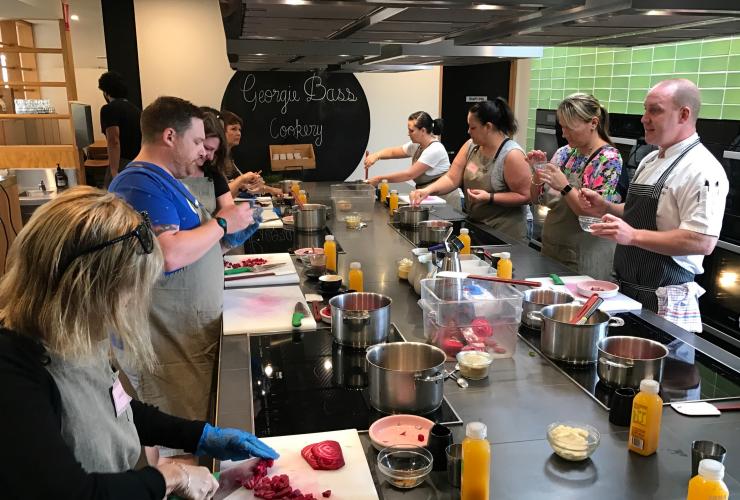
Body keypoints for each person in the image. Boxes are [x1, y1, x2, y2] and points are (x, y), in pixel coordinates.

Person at [0, 187, 277, 500]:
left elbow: (118, 407)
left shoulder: (75, 333)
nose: (137, 301)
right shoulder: (13, 376)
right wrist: (169, 477)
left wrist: (200, 435)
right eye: (132, 287)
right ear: (87, 288)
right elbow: (70, 492)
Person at [109, 97, 255, 427]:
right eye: (196, 141)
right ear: (170, 137)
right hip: (163, 343)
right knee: (175, 435)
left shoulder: (167, 182)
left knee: (193, 426)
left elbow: (192, 248)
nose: (201, 151)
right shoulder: (137, 183)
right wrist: (221, 225)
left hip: (184, 336)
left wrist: (226, 239)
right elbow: (168, 254)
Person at [581, 79, 729, 331]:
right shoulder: (650, 159)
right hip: (626, 292)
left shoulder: (702, 169)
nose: (643, 118)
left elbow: (702, 241)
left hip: (665, 303)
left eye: (655, 110)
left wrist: (634, 236)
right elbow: (638, 213)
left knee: (660, 370)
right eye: (645, 109)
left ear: (684, 114)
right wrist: (606, 207)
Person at [527, 93, 623, 280]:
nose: (564, 134)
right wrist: (537, 172)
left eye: (570, 128)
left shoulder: (608, 159)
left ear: (593, 123)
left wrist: (565, 186)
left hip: (584, 256)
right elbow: (536, 199)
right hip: (553, 248)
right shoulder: (565, 153)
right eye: (562, 127)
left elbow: (591, 214)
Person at [410, 98, 531, 241]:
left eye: (473, 127)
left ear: (488, 127)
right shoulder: (471, 146)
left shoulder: (512, 155)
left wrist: (490, 197)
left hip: (507, 233)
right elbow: (451, 178)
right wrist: (427, 191)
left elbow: (525, 196)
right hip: (480, 225)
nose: (468, 131)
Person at [364, 111, 461, 210]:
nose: (408, 134)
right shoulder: (416, 145)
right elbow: (393, 152)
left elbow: (409, 174)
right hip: (429, 197)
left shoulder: (435, 149)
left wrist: (379, 179)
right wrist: (376, 155)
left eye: (411, 131)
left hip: (445, 200)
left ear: (423, 130)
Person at [97, 71, 142, 185]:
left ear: (106, 92)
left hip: (121, 163)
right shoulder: (136, 110)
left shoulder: (109, 109)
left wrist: (114, 170)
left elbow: (114, 140)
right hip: (138, 163)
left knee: (111, 199)